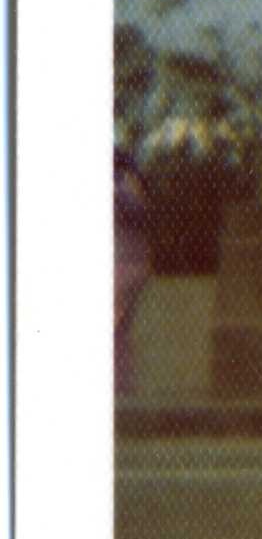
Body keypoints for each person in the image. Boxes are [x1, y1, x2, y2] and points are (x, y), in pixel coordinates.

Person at [114, 149, 154, 397]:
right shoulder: (129, 189)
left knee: (116, 326)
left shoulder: (122, 190)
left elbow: (136, 215)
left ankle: (121, 387)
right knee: (120, 328)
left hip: (126, 264)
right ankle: (123, 386)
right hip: (131, 263)